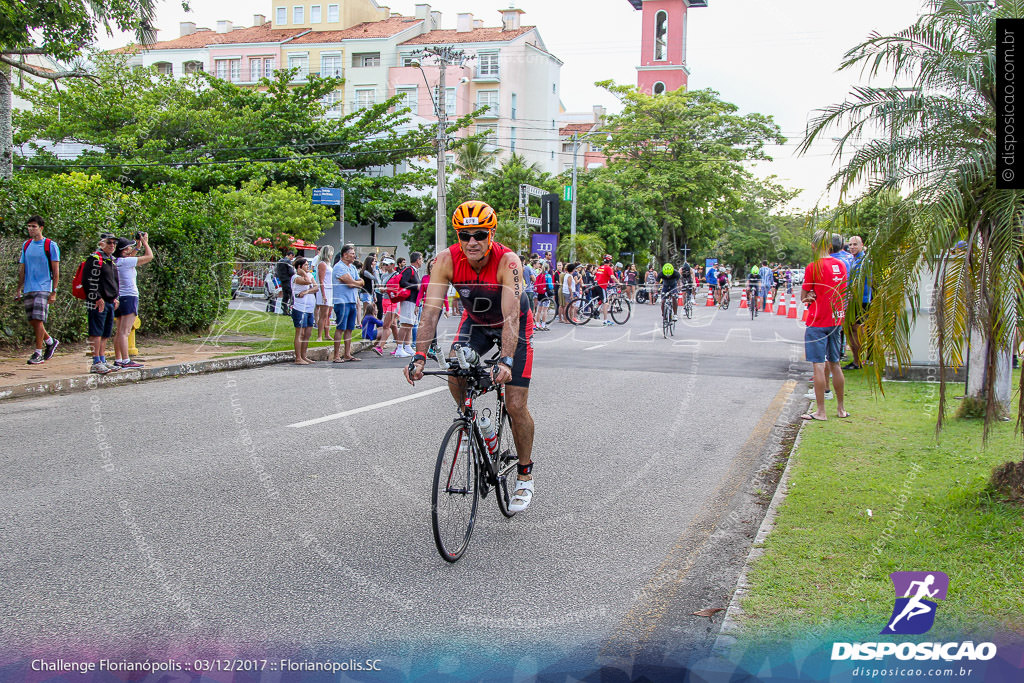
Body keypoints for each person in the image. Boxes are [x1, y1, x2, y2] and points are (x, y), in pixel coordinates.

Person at [405, 200, 537, 513]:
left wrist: (505, 361)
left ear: (491, 234)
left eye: (479, 234)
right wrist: (420, 356)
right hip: (476, 325)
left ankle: (525, 474)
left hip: (513, 327)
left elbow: (510, 318)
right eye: (465, 235)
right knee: (455, 369)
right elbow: (430, 312)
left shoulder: (509, 262)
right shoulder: (446, 260)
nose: (472, 241)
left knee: (516, 403)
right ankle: (470, 423)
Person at [801, 230, 849, 421]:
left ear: (813, 246)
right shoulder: (841, 265)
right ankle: (841, 409)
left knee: (819, 366)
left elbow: (804, 297)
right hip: (836, 321)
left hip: (817, 321)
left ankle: (820, 411)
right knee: (835, 364)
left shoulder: (813, 267)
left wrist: (810, 296)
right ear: (830, 246)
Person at [15, 215, 60, 365]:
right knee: (33, 320)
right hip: (29, 287)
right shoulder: (26, 245)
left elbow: (56, 270)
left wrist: (54, 291)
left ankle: (38, 352)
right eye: (29, 226)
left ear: (41, 228)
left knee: (39, 319)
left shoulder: (50, 245)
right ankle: (50, 341)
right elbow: (22, 268)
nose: (30, 229)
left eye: (34, 226)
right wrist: (18, 289)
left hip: (44, 287)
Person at [112, 233, 153, 368]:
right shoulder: (126, 262)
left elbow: (130, 257)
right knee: (125, 332)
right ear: (124, 250)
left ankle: (118, 358)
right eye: (129, 248)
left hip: (120, 298)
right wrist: (145, 242)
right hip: (130, 297)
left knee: (119, 332)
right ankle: (125, 360)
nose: (131, 250)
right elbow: (149, 257)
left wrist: (137, 247)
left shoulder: (116, 261)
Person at [82, 234, 121, 374]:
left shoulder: (111, 260)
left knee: (105, 332)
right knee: (96, 331)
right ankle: (95, 361)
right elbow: (87, 281)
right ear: (101, 243)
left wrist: (115, 297)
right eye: (109, 242)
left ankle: (102, 359)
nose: (112, 245)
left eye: (114, 243)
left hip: (110, 301)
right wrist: (97, 298)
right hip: (97, 302)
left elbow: (113, 281)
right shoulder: (94, 259)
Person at [331, 244, 363, 363]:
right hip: (342, 301)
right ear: (345, 255)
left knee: (349, 328)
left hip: (351, 300)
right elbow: (350, 283)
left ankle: (347, 353)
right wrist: (356, 282)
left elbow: (361, 281)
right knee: (341, 328)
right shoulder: (339, 267)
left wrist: (356, 282)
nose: (354, 256)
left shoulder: (353, 267)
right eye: (352, 253)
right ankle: (336, 355)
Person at [844, 235, 872, 370]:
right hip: (853, 301)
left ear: (861, 245)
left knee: (857, 330)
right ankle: (856, 360)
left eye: (855, 244)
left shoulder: (864, 261)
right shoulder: (853, 260)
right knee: (850, 330)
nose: (852, 247)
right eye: (850, 245)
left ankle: (858, 361)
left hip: (861, 301)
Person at [289, 257, 318, 365]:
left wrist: (306, 292)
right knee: (300, 333)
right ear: (299, 267)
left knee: (308, 333)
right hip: (300, 308)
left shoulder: (309, 276)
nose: (308, 267)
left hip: (310, 308)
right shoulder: (295, 277)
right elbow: (307, 282)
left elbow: (316, 287)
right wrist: (303, 273)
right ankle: (298, 357)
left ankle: (304, 355)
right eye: (305, 265)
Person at [394, 251, 423, 358]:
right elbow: (402, 282)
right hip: (407, 300)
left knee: (410, 325)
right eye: (421, 259)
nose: (422, 261)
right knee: (405, 324)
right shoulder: (409, 270)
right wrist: (416, 287)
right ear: (417, 260)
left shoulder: (413, 271)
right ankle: (400, 347)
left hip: (412, 300)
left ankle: (407, 346)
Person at [375, 257, 400, 356]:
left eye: (387, 264)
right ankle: (399, 346)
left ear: (392, 265)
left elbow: (397, 289)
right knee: (393, 326)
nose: (385, 266)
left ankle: (380, 346)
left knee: (386, 325)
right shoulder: (384, 275)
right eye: (384, 264)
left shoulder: (397, 275)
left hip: (392, 300)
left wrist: (385, 289)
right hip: (385, 300)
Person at [313, 245, 335, 342]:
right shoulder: (322, 264)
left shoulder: (328, 264)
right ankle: (319, 336)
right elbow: (321, 280)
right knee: (323, 314)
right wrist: (323, 295)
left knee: (328, 314)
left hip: (330, 289)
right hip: (325, 290)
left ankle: (327, 334)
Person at [595, 254, 619, 326]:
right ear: (610, 261)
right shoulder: (608, 268)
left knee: (601, 300)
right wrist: (618, 282)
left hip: (596, 285)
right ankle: (605, 321)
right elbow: (612, 276)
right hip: (602, 286)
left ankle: (595, 310)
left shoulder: (601, 267)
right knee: (606, 302)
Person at [275, 250, 295, 315]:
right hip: (288, 279)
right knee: (291, 294)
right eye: (292, 257)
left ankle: (284, 309)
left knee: (285, 296)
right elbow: (291, 272)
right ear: (290, 255)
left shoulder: (280, 261)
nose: (292, 259)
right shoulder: (287, 261)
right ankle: (291, 308)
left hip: (282, 279)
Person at [535, 260, 553, 330]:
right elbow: (551, 286)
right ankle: (543, 325)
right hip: (546, 294)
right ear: (548, 268)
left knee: (538, 310)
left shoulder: (539, 275)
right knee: (545, 310)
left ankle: (537, 324)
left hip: (539, 293)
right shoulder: (548, 276)